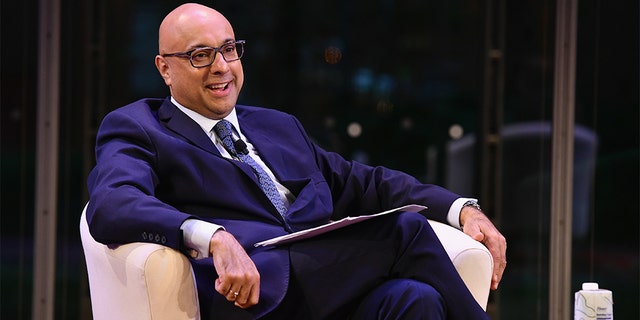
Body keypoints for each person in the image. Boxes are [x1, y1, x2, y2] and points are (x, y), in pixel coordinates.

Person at [86, 3, 506, 319]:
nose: (221, 67)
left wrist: (460, 208)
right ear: (164, 68)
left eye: (229, 50)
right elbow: (112, 203)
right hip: (253, 293)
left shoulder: (277, 126)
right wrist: (211, 236)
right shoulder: (140, 127)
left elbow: (363, 182)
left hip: (325, 285)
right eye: (200, 55)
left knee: (417, 300)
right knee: (405, 229)